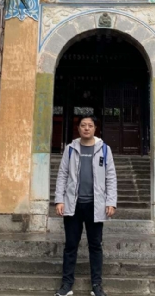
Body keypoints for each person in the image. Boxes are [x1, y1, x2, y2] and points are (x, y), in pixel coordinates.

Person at [54, 114, 117, 296]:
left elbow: (111, 177)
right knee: (70, 246)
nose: (86, 128)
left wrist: (111, 202)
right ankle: (66, 285)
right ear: (78, 128)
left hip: (95, 206)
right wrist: (59, 200)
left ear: (95, 128)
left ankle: (96, 285)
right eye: (83, 125)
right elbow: (62, 174)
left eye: (90, 125)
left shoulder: (104, 149)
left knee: (95, 246)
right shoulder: (70, 149)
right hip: (73, 205)